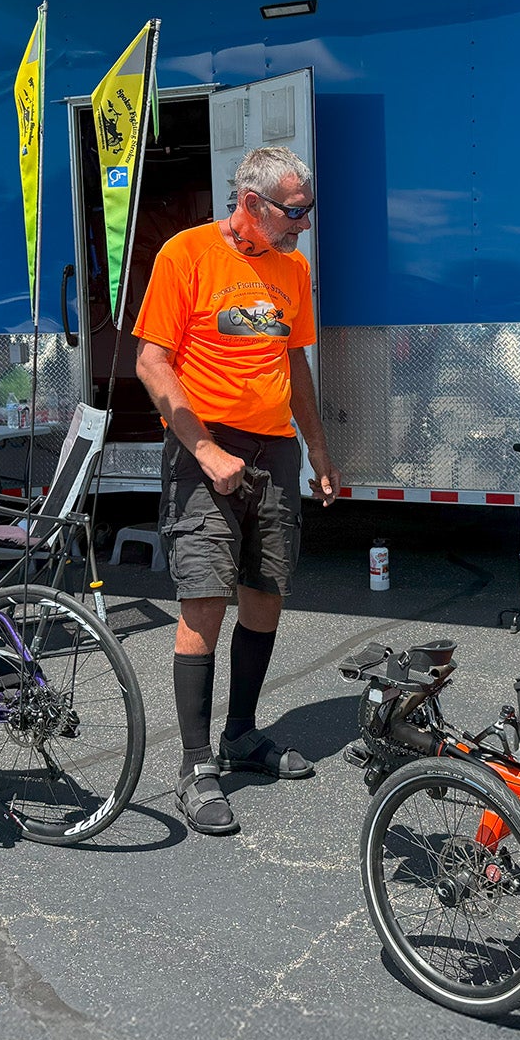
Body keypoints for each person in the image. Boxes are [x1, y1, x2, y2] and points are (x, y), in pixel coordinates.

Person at [133, 145, 341, 837]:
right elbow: (152, 362)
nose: (303, 224)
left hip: (273, 450)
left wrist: (318, 449)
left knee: (265, 593)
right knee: (204, 602)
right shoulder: (185, 255)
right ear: (250, 204)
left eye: (307, 211)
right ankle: (196, 767)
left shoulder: (293, 269)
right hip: (205, 450)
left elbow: (295, 363)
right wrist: (205, 449)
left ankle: (242, 736)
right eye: (294, 212)